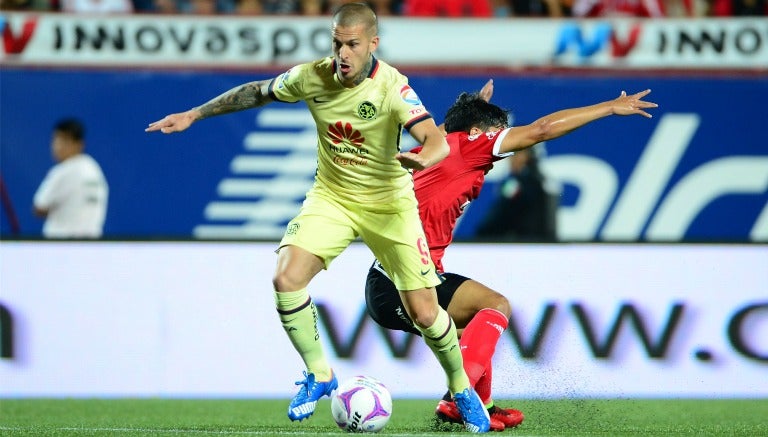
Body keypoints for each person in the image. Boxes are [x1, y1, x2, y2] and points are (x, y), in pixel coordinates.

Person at [145, 3, 491, 433]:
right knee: (286, 278)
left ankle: (461, 387)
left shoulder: (393, 88)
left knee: (424, 312)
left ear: (372, 45)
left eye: (352, 45)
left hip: (389, 207)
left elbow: (435, 140)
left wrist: (425, 160)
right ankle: (320, 374)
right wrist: (194, 114)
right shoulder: (312, 76)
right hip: (332, 199)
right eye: (337, 43)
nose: (343, 54)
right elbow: (256, 91)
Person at [365, 81, 657, 430]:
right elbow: (541, 129)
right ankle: (460, 398)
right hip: (400, 282)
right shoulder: (472, 146)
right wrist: (608, 107)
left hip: (397, 279)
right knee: (496, 306)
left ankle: (481, 403)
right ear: (477, 132)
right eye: (496, 133)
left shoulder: (436, 149)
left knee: (476, 333)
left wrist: (472, 108)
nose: (503, 141)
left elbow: (448, 131)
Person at [33, 118, 109, 239]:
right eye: (56, 139)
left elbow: (39, 208)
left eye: (64, 140)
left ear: (79, 144)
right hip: (92, 247)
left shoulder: (63, 171)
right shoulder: (94, 169)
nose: (58, 146)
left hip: (60, 246)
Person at [475, 144, 557, 242]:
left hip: (523, 244)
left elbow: (500, 215)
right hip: (539, 243)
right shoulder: (541, 181)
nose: (511, 159)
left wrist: (481, 234)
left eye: (516, 154)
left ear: (527, 156)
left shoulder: (516, 184)